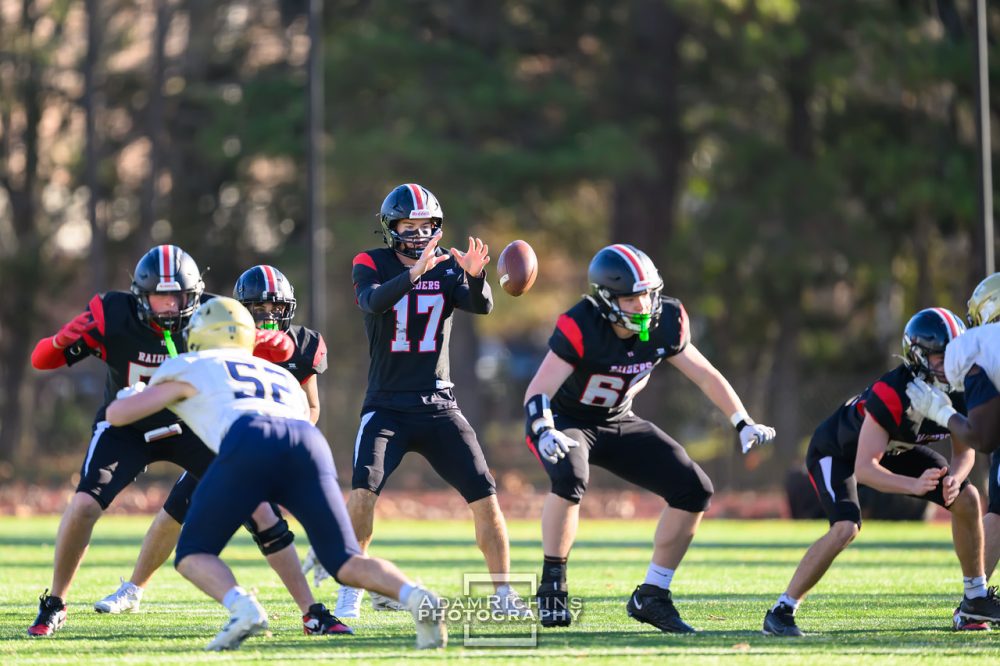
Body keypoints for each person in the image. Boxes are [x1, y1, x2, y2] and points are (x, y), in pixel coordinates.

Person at [104, 297, 446, 651]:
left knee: (194, 553)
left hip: (248, 439)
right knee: (346, 560)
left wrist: (130, 395)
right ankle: (415, 595)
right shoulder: (279, 372)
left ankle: (243, 609)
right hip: (307, 442)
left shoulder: (194, 364)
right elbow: (299, 416)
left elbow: (120, 416)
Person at [523, 243, 776, 633]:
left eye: (647, 293)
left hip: (618, 419)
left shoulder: (668, 319)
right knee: (571, 478)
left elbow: (704, 373)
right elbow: (538, 391)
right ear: (606, 298)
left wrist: (742, 421)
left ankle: (652, 595)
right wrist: (543, 429)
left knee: (695, 489)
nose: (642, 305)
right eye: (631, 296)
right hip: (565, 419)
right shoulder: (581, 324)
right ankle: (553, 584)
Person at [91, 265, 350, 635]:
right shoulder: (223, 343)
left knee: (269, 526)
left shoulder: (302, 344)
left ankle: (313, 608)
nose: (268, 316)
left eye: (276, 308)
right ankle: (134, 587)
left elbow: (312, 406)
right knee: (177, 510)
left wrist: (284, 439)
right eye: (258, 309)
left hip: (271, 446)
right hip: (224, 447)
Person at [322, 183, 526, 619]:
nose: (417, 234)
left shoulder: (447, 266)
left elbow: (483, 306)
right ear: (390, 228)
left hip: (438, 403)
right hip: (387, 405)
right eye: (408, 226)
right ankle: (352, 591)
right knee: (363, 493)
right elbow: (373, 301)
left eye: (425, 226)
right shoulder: (370, 262)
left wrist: (472, 274)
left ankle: (503, 593)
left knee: (485, 495)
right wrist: (415, 273)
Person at [762, 307, 1000, 636]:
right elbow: (865, 468)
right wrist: (914, 486)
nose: (951, 363)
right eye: (941, 356)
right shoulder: (894, 392)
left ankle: (974, 600)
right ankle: (782, 610)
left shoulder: (962, 386)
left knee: (968, 497)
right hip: (839, 451)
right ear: (917, 356)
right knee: (846, 527)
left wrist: (956, 478)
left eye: (955, 353)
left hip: (894, 450)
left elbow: (966, 451)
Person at [906, 274, 1000, 611]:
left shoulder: (969, 349)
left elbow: (984, 439)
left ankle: (974, 601)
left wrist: (941, 412)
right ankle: (975, 600)